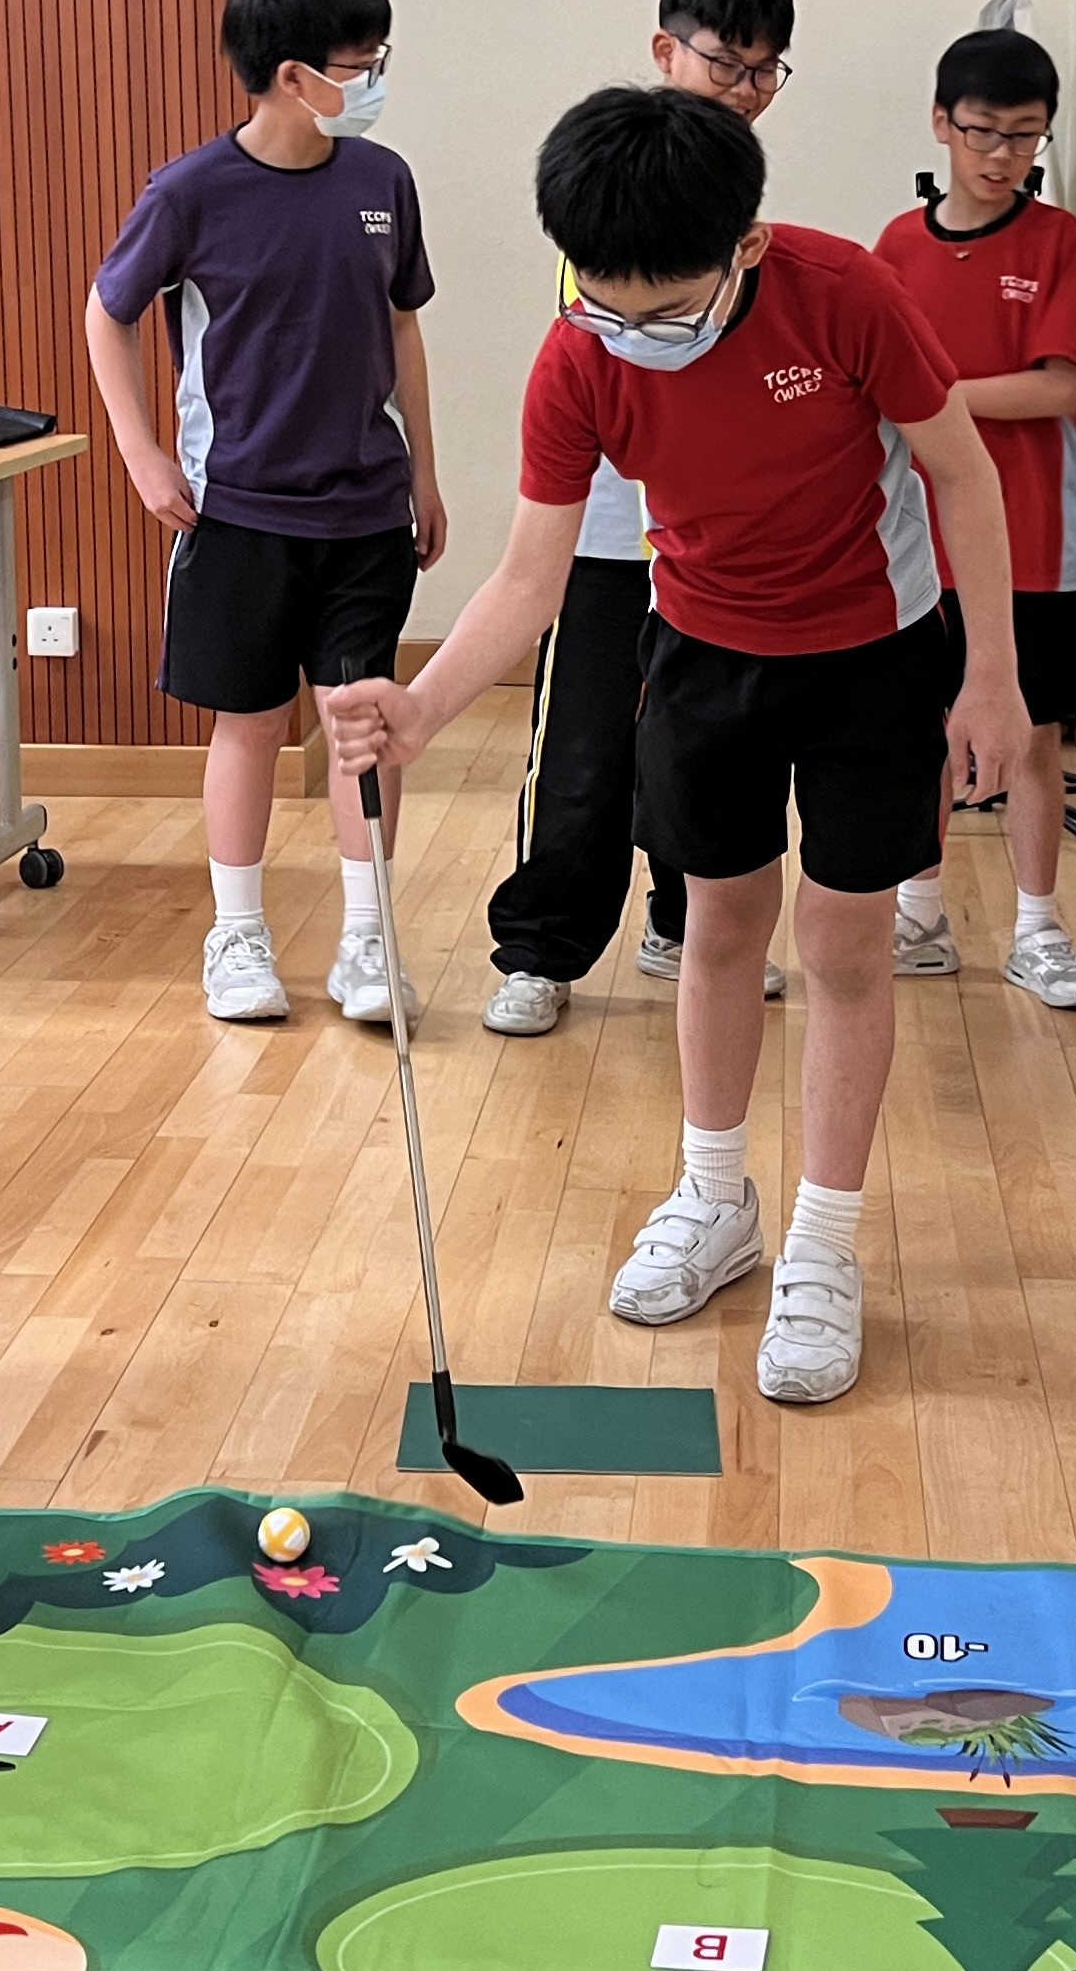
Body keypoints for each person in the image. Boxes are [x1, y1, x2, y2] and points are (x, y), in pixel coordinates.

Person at [324, 86, 1028, 1407]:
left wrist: (991, 676)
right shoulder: (577, 358)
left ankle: (824, 1243)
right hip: (704, 652)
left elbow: (962, 471)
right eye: (607, 307)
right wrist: (420, 708)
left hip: (873, 651)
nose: (635, 340)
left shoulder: (845, 294)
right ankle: (717, 1200)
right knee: (717, 925)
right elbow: (529, 576)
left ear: (745, 248)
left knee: (845, 943)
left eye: (665, 314)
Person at [86, 0, 446, 1026]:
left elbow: (403, 326)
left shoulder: (383, 184)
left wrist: (427, 473)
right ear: (294, 75)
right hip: (236, 509)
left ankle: (369, 940)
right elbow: (108, 313)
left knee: (359, 720)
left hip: (366, 507)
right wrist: (143, 454)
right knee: (247, 724)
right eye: (361, 61)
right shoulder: (191, 193)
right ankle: (237, 936)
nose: (375, 78)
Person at [481, 0, 800, 1038]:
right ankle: (541, 950)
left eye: (765, 71)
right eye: (725, 64)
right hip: (611, 534)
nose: (745, 90)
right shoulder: (612, 184)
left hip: (712, 542)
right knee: (582, 756)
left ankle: (681, 925)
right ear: (667, 52)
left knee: (699, 749)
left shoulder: (746, 209)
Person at [874, 27, 1076, 1007]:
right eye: (983, 131)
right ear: (942, 124)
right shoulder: (895, 247)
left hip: (1033, 539)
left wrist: (934, 400)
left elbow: (1059, 389)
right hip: (918, 540)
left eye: (1025, 135)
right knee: (919, 729)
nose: (1002, 153)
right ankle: (919, 915)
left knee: (1037, 733)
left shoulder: (1059, 243)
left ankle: (1039, 928)